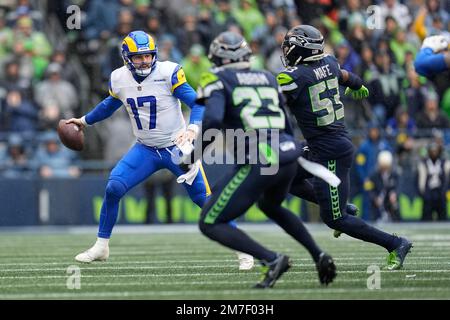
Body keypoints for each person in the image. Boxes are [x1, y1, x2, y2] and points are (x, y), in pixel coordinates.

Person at [66, 31, 253, 268]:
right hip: (145, 149)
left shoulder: (168, 72)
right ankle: (101, 246)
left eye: (148, 56)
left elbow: (197, 103)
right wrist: (84, 120)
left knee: (206, 201)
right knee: (113, 187)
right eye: (138, 57)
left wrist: (193, 130)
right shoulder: (119, 78)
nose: (144, 61)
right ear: (126, 57)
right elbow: (110, 103)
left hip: (176, 147)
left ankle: (243, 250)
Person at [191, 31, 336, 289]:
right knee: (271, 206)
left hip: (260, 158)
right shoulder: (268, 77)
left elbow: (212, 120)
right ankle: (318, 254)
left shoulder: (215, 78)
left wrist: (193, 155)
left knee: (210, 222)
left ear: (216, 57)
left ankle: (271, 260)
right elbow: (286, 120)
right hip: (287, 152)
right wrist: (293, 149)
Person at [278, 25, 412, 270]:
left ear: (301, 49)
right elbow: (348, 77)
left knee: (335, 219)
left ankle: (395, 243)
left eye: (290, 45)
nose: (286, 49)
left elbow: (274, 102)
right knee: (282, 173)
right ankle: (344, 205)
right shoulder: (328, 62)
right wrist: (358, 85)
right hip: (323, 145)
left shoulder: (293, 76)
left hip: (329, 151)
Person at [417, 142, 449, 221]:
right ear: (429, 152)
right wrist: (423, 193)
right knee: (426, 217)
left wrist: (445, 191)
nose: (434, 152)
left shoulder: (443, 162)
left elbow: (447, 179)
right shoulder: (424, 163)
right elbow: (418, 180)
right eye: (432, 151)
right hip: (429, 193)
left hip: (440, 193)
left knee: (443, 218)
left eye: (436, 150)